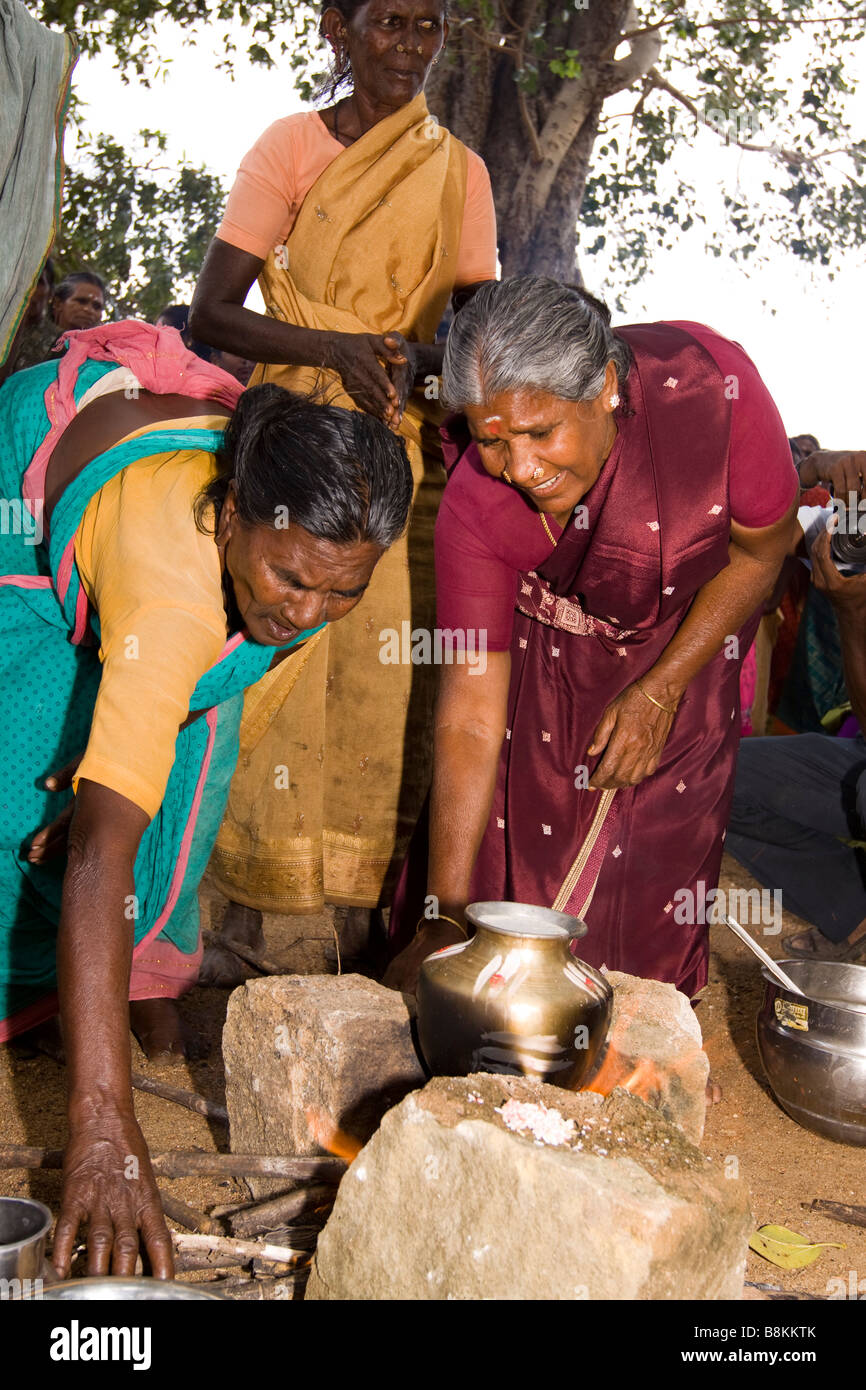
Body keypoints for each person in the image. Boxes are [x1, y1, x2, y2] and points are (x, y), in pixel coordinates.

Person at [0, 319, 412, 1277]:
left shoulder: (303, 556)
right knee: (24, 784)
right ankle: (54, 1017)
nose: (306, 614)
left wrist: (117, 764)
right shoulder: (178, 592)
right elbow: (101, 852)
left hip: (151, 555)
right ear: (231, 518)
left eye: (343, 593)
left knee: (168, 767)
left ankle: (133, 977)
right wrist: (102, 1130)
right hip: (25, 487)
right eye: (292, 579)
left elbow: (210, 685)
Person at [384, 278, 799, 1001]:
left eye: (540, 432)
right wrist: (444, 917)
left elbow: (765, 549)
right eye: (490, 440)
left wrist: (662, 689)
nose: (521, 468)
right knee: (511, 878)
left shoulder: (713, 392)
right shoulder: (481, 503)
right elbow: (471, 715)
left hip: (688, 649)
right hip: (546, 670)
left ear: (605, 386)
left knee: (660, 867)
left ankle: (647, 1046)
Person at [189, 0, 497, 970]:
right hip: (285, 441)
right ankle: (239, 914)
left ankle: (351, 923)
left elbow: (474, 349)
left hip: (389, 456)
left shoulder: (459, 171)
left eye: (427, 26)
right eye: (387, 23)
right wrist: (329, 347)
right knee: (274, 656)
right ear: (337, 29)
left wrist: (412, 365)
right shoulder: (289, 147)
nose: (408, 46)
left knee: (375, 679)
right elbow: (210, 315)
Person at [728, 449, 866, 963]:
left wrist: (852, 613)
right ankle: (853, 917)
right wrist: (807, 472)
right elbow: (757, 531)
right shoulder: (853, 526)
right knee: (720, 778)